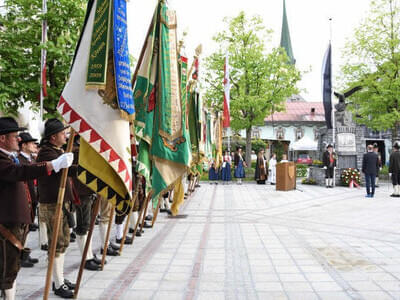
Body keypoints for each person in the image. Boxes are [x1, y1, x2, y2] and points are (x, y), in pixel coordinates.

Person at [0, 117, 72, 300]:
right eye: (15, 136)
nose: (19, 139)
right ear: (2, 139)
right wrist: (52, 165)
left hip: (16, 221)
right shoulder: (2, 160)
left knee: (11, 268)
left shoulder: (9, 157)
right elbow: (21, 172)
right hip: (7, 223)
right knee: (7, 270)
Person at [36, 118, 77, 298]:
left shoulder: (57, 150)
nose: (65, 135)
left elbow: (68, 168)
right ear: (53, 137)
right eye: (62, 133)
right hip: (53, 203)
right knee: (56, 244)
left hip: (62, 203)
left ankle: (58, 278)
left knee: (63, 241)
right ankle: (58, 283)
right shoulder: (46, 153)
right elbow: (57, 167)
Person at [17, 132, 40, 268]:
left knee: (27, 229)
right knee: (22, 229)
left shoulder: (31, 159)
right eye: (31, 143)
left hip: (32, 198)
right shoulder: (20, 160)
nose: (34, 145)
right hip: (25, 198)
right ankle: (20, 255)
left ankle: (24, 253)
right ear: (24, 145)